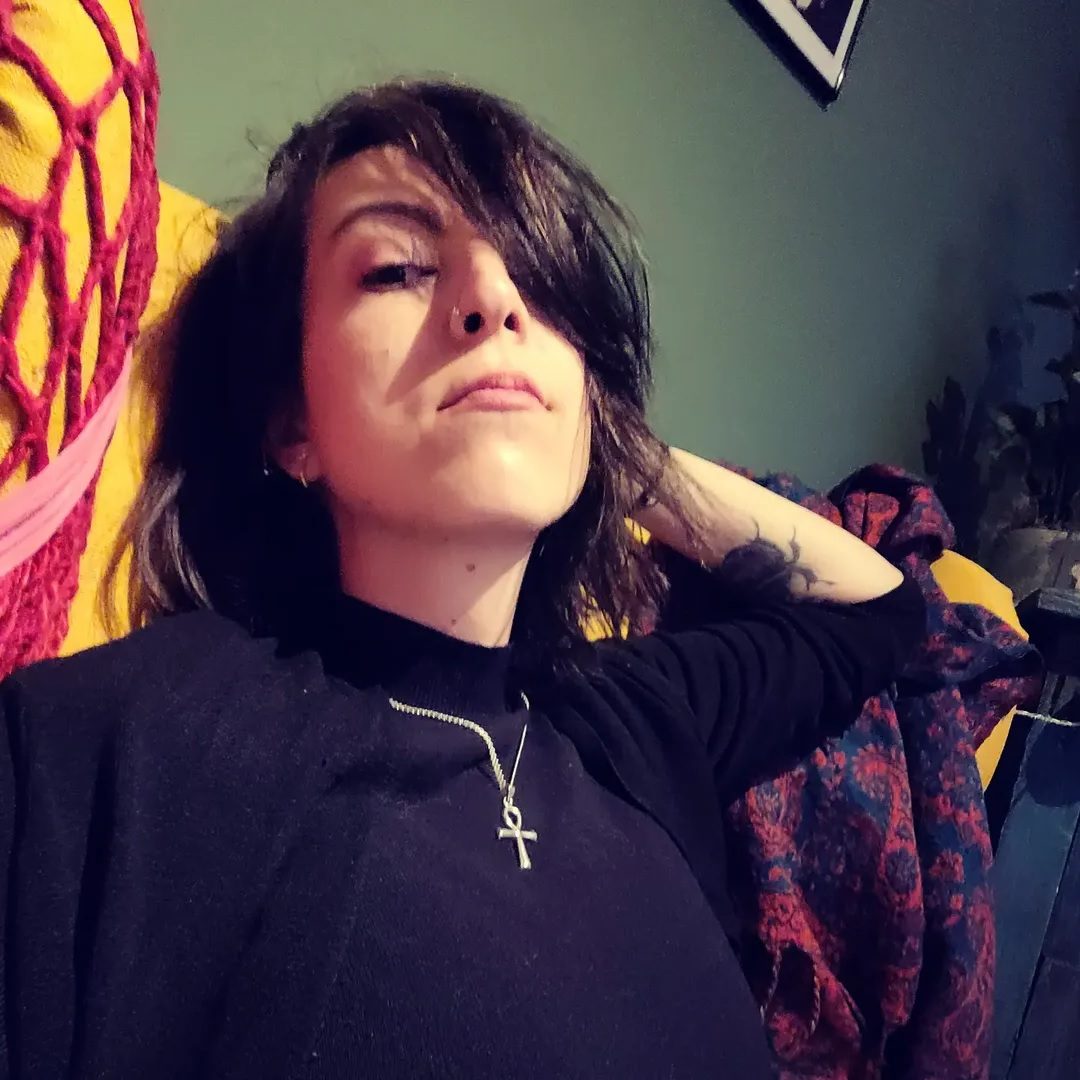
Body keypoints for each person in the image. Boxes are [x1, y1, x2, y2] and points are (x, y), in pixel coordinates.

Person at [0, 73, 926, 1080]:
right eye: (396, 268)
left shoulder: (627, 719)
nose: (495, 298)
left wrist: (605, 444)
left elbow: (876, 613)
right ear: (292, 422)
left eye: (538, 270)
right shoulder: (130, 742)